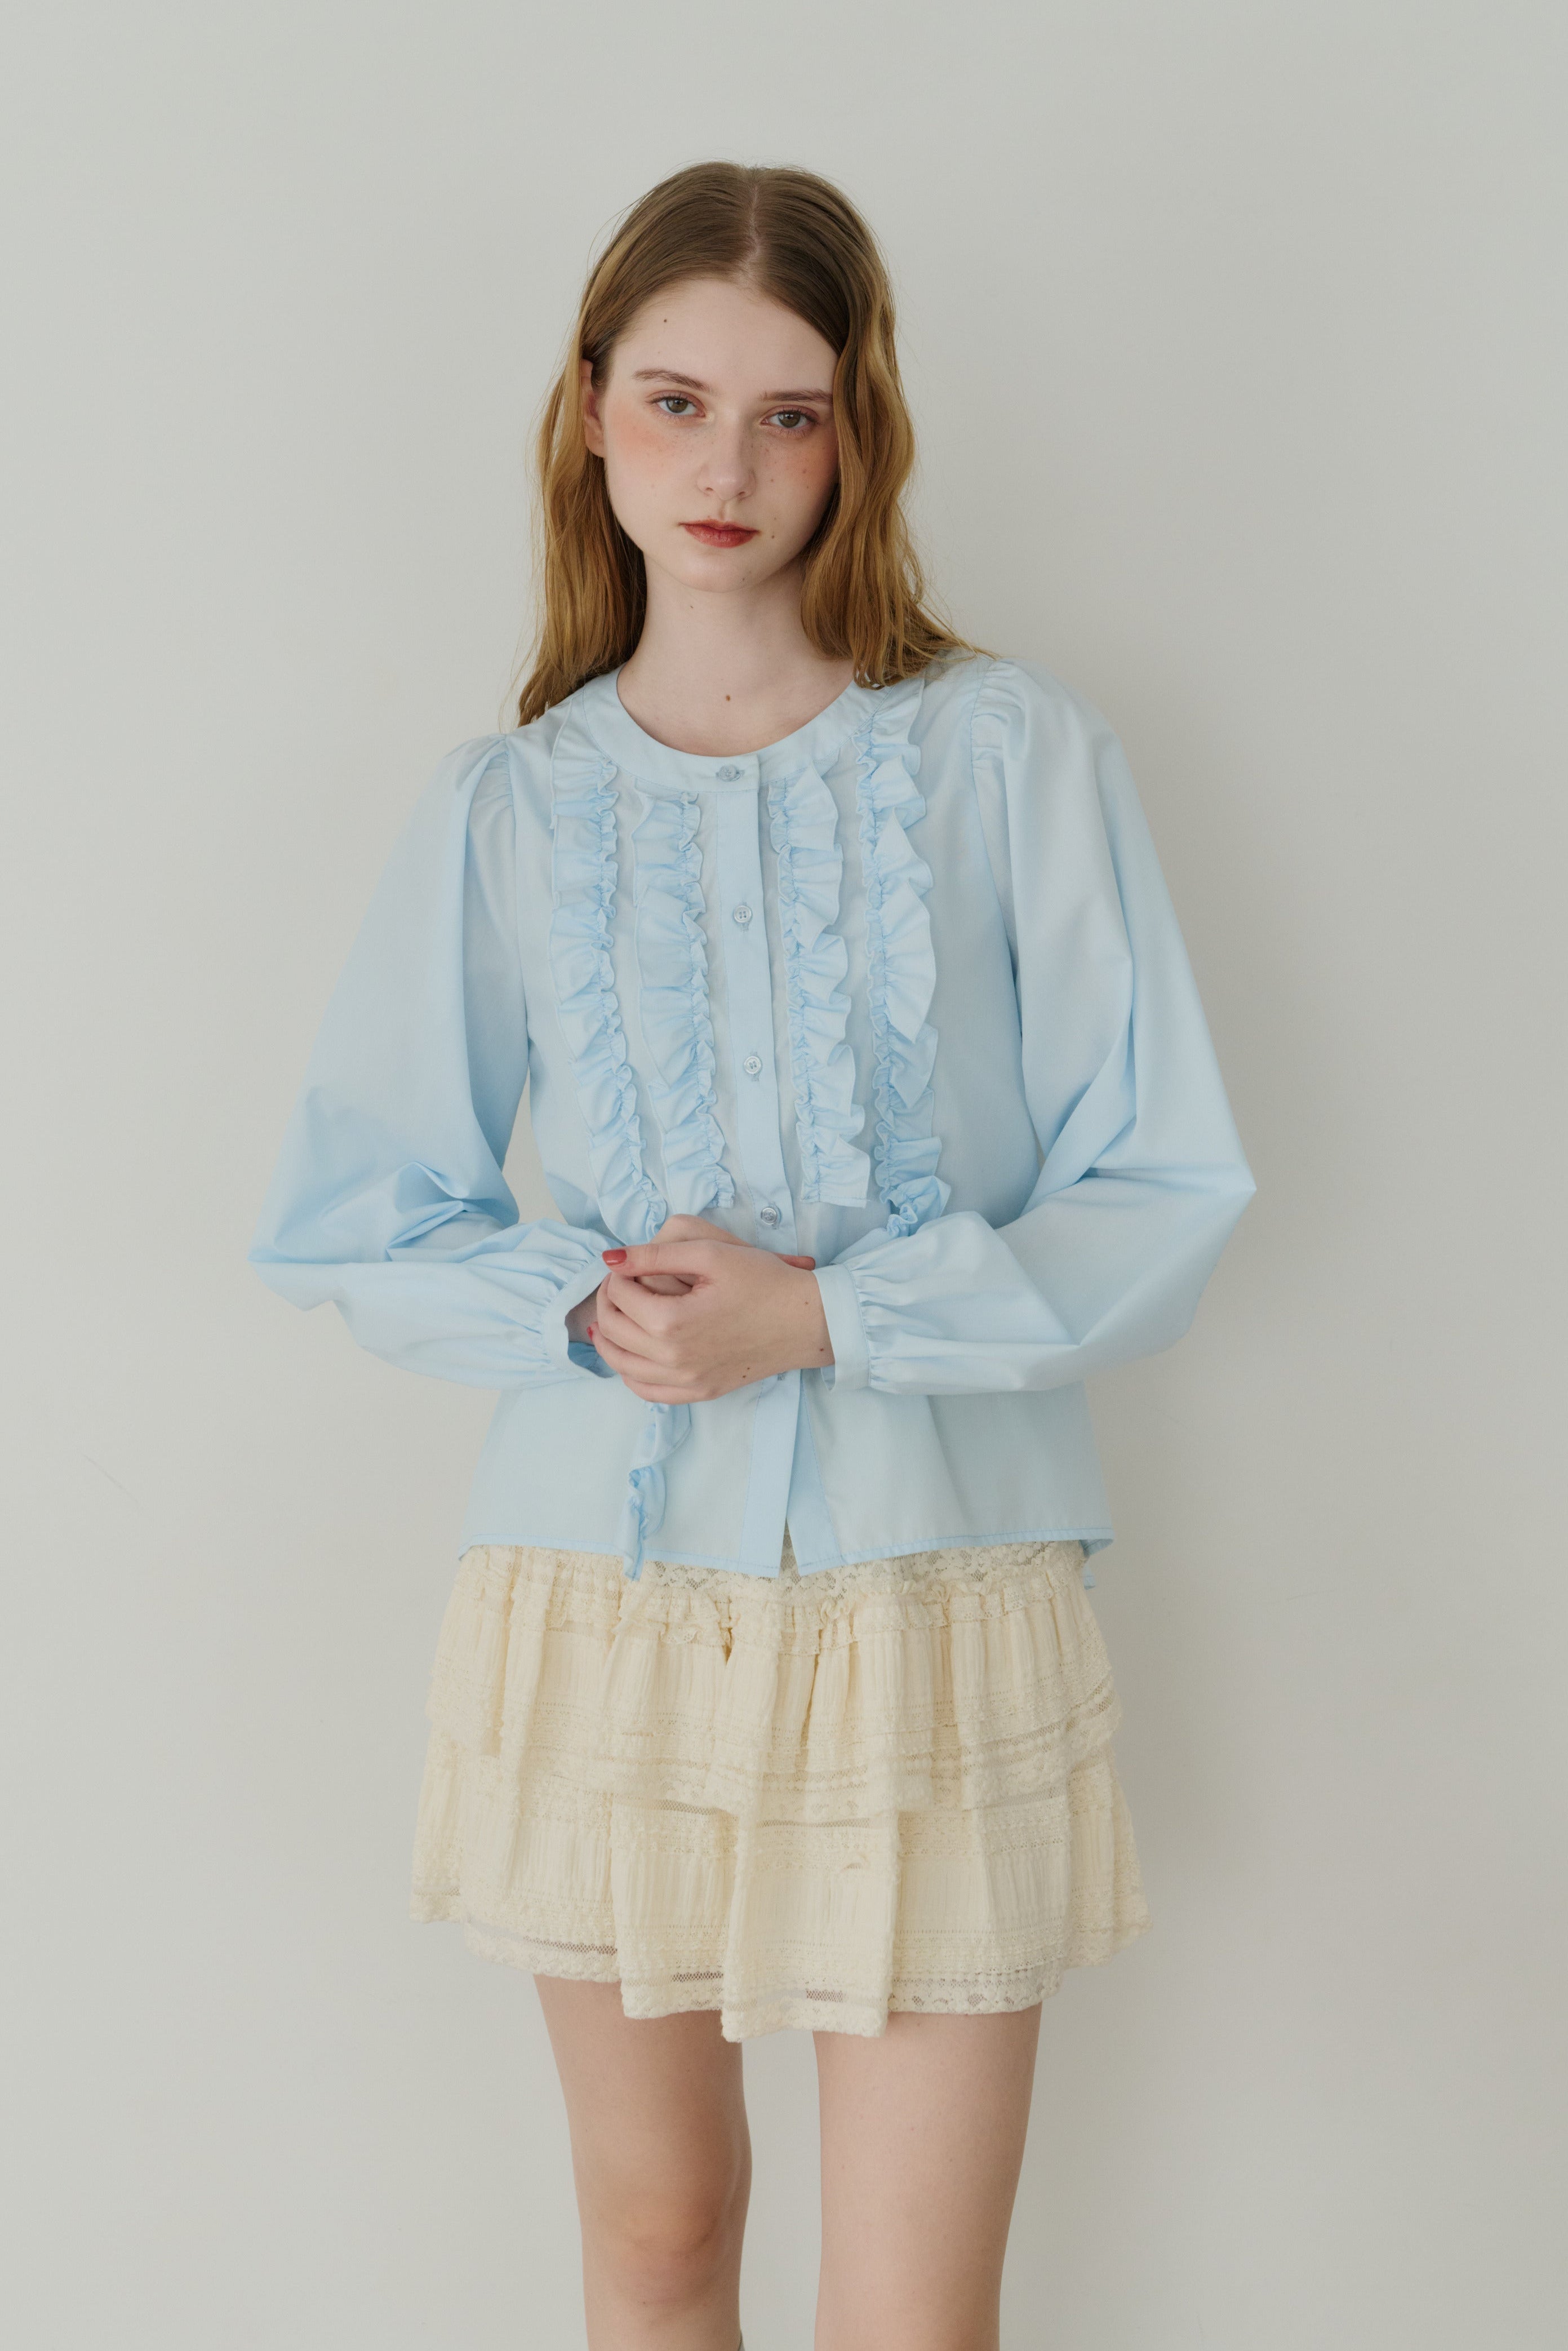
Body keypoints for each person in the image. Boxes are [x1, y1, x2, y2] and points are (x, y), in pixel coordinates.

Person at [248, 160, 1255, 2351]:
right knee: (655, 2243)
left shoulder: (1006, 756)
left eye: (790, 412)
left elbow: (1162, 1177)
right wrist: (578, 1308)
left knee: (913, 2311)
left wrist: (826, 1313)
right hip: (600, 1606)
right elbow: (355, 1204)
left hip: (932, 1595)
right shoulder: (508, 806)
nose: (727, 467)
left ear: (859, 430)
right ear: (591, 411)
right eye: (678, 401)